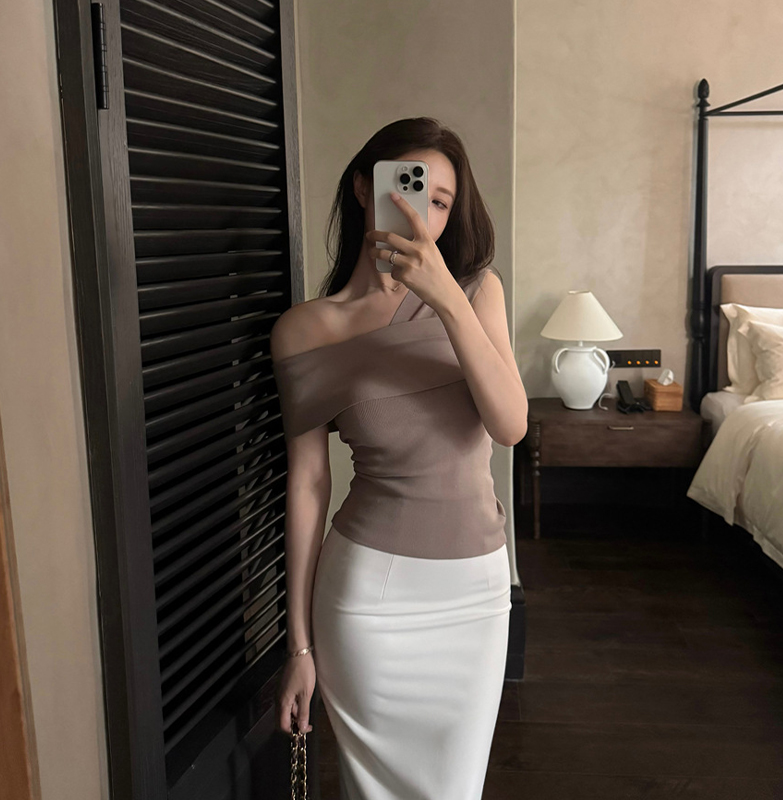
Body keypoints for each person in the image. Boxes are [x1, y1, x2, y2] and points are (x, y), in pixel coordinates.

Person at [271, 117, 528, 800]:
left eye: (441, 202)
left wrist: (446, 300)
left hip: (476, 595)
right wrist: (299, 647)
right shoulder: (305, 330)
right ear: (365, 188)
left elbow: (510, 426)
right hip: (368, 601)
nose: (424, 213)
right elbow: (308, 484)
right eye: (409, 188)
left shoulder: (478, 293)